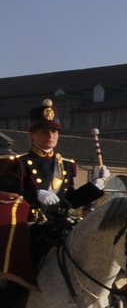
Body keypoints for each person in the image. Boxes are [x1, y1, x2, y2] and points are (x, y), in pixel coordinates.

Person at [0, 99, 110, 289]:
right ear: (32, 135)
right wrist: (35, 194)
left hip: (60, 226)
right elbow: (6, 195)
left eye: (54, 131)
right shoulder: (17, 163)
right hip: (29, 228)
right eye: (44, 131)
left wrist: (96, 185)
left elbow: (69, 201)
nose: (50, 135)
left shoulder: (66, 165)